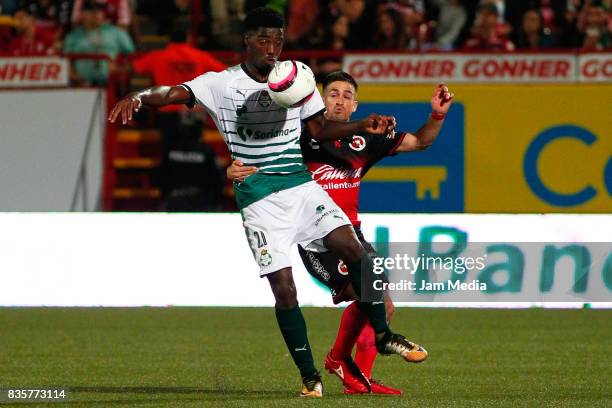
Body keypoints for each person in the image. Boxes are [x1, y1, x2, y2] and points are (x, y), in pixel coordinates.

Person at [109, 7, 423, 398]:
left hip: (299, 185)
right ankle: (310, 377)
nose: (272, 48)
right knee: (285, 290)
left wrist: (361, 124)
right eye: (263, 39)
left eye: (278, 40)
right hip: (260, 200)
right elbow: (173, 93)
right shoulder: (220, 84)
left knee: (354, 247)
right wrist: (138, 95)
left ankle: (384, 334)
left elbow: (321, 129)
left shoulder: (298, 78)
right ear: (246, 40)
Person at [227, 72, 453, 395]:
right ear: (319, 100)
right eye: (332, 93)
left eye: (347, 95)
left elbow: (421, 141)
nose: (340, 100)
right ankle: (339, 360)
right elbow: (257, 156)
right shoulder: (299, 136)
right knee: (365, 293)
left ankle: (355, 376)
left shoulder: (366, 138)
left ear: (355, 105)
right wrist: (233, 168)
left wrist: (438, 114)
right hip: (316, 238)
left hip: (351, 234)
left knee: (383, 305)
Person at [131, 29, 227, 211]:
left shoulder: (158, 56)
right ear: (189, 37)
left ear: (169, 38)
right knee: (196, 152)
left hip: (167, 113)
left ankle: (172, 194)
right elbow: (223, 73)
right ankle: (196, 193)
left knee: (170, 155)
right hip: (193, 112)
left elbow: (134, 68)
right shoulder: (199, 56)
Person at [63, 2, 134, 85]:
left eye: (100, 10)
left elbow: (132, 57)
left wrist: (119, 69)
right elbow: (65, 62)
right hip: (81, 86)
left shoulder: (117, 33)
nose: (96, 14)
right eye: (91, 11)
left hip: (111, 86)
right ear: (82, 14)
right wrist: (75, 77)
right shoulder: (73, 36)